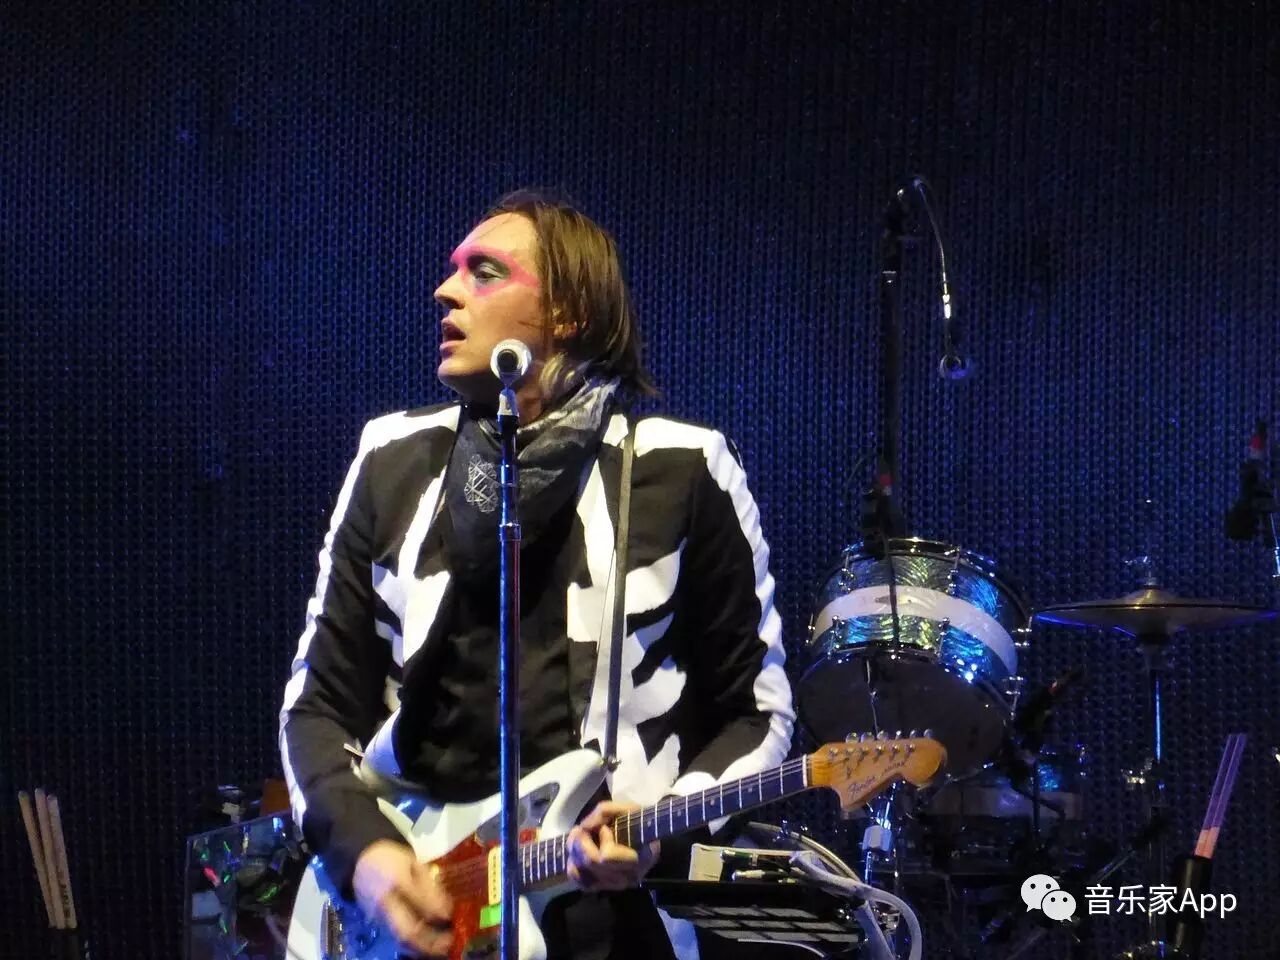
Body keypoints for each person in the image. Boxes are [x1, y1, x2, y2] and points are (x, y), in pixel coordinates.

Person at [279, 191, 794, 959]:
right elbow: (316, 707)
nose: (446, 291)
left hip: (609, 924)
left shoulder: (685, 470)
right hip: (415, 904)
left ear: (570, 312)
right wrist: (367, 855)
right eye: (453, 270)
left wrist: (662, 825)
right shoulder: (391, 460)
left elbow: (759, 712)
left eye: (484, 272)